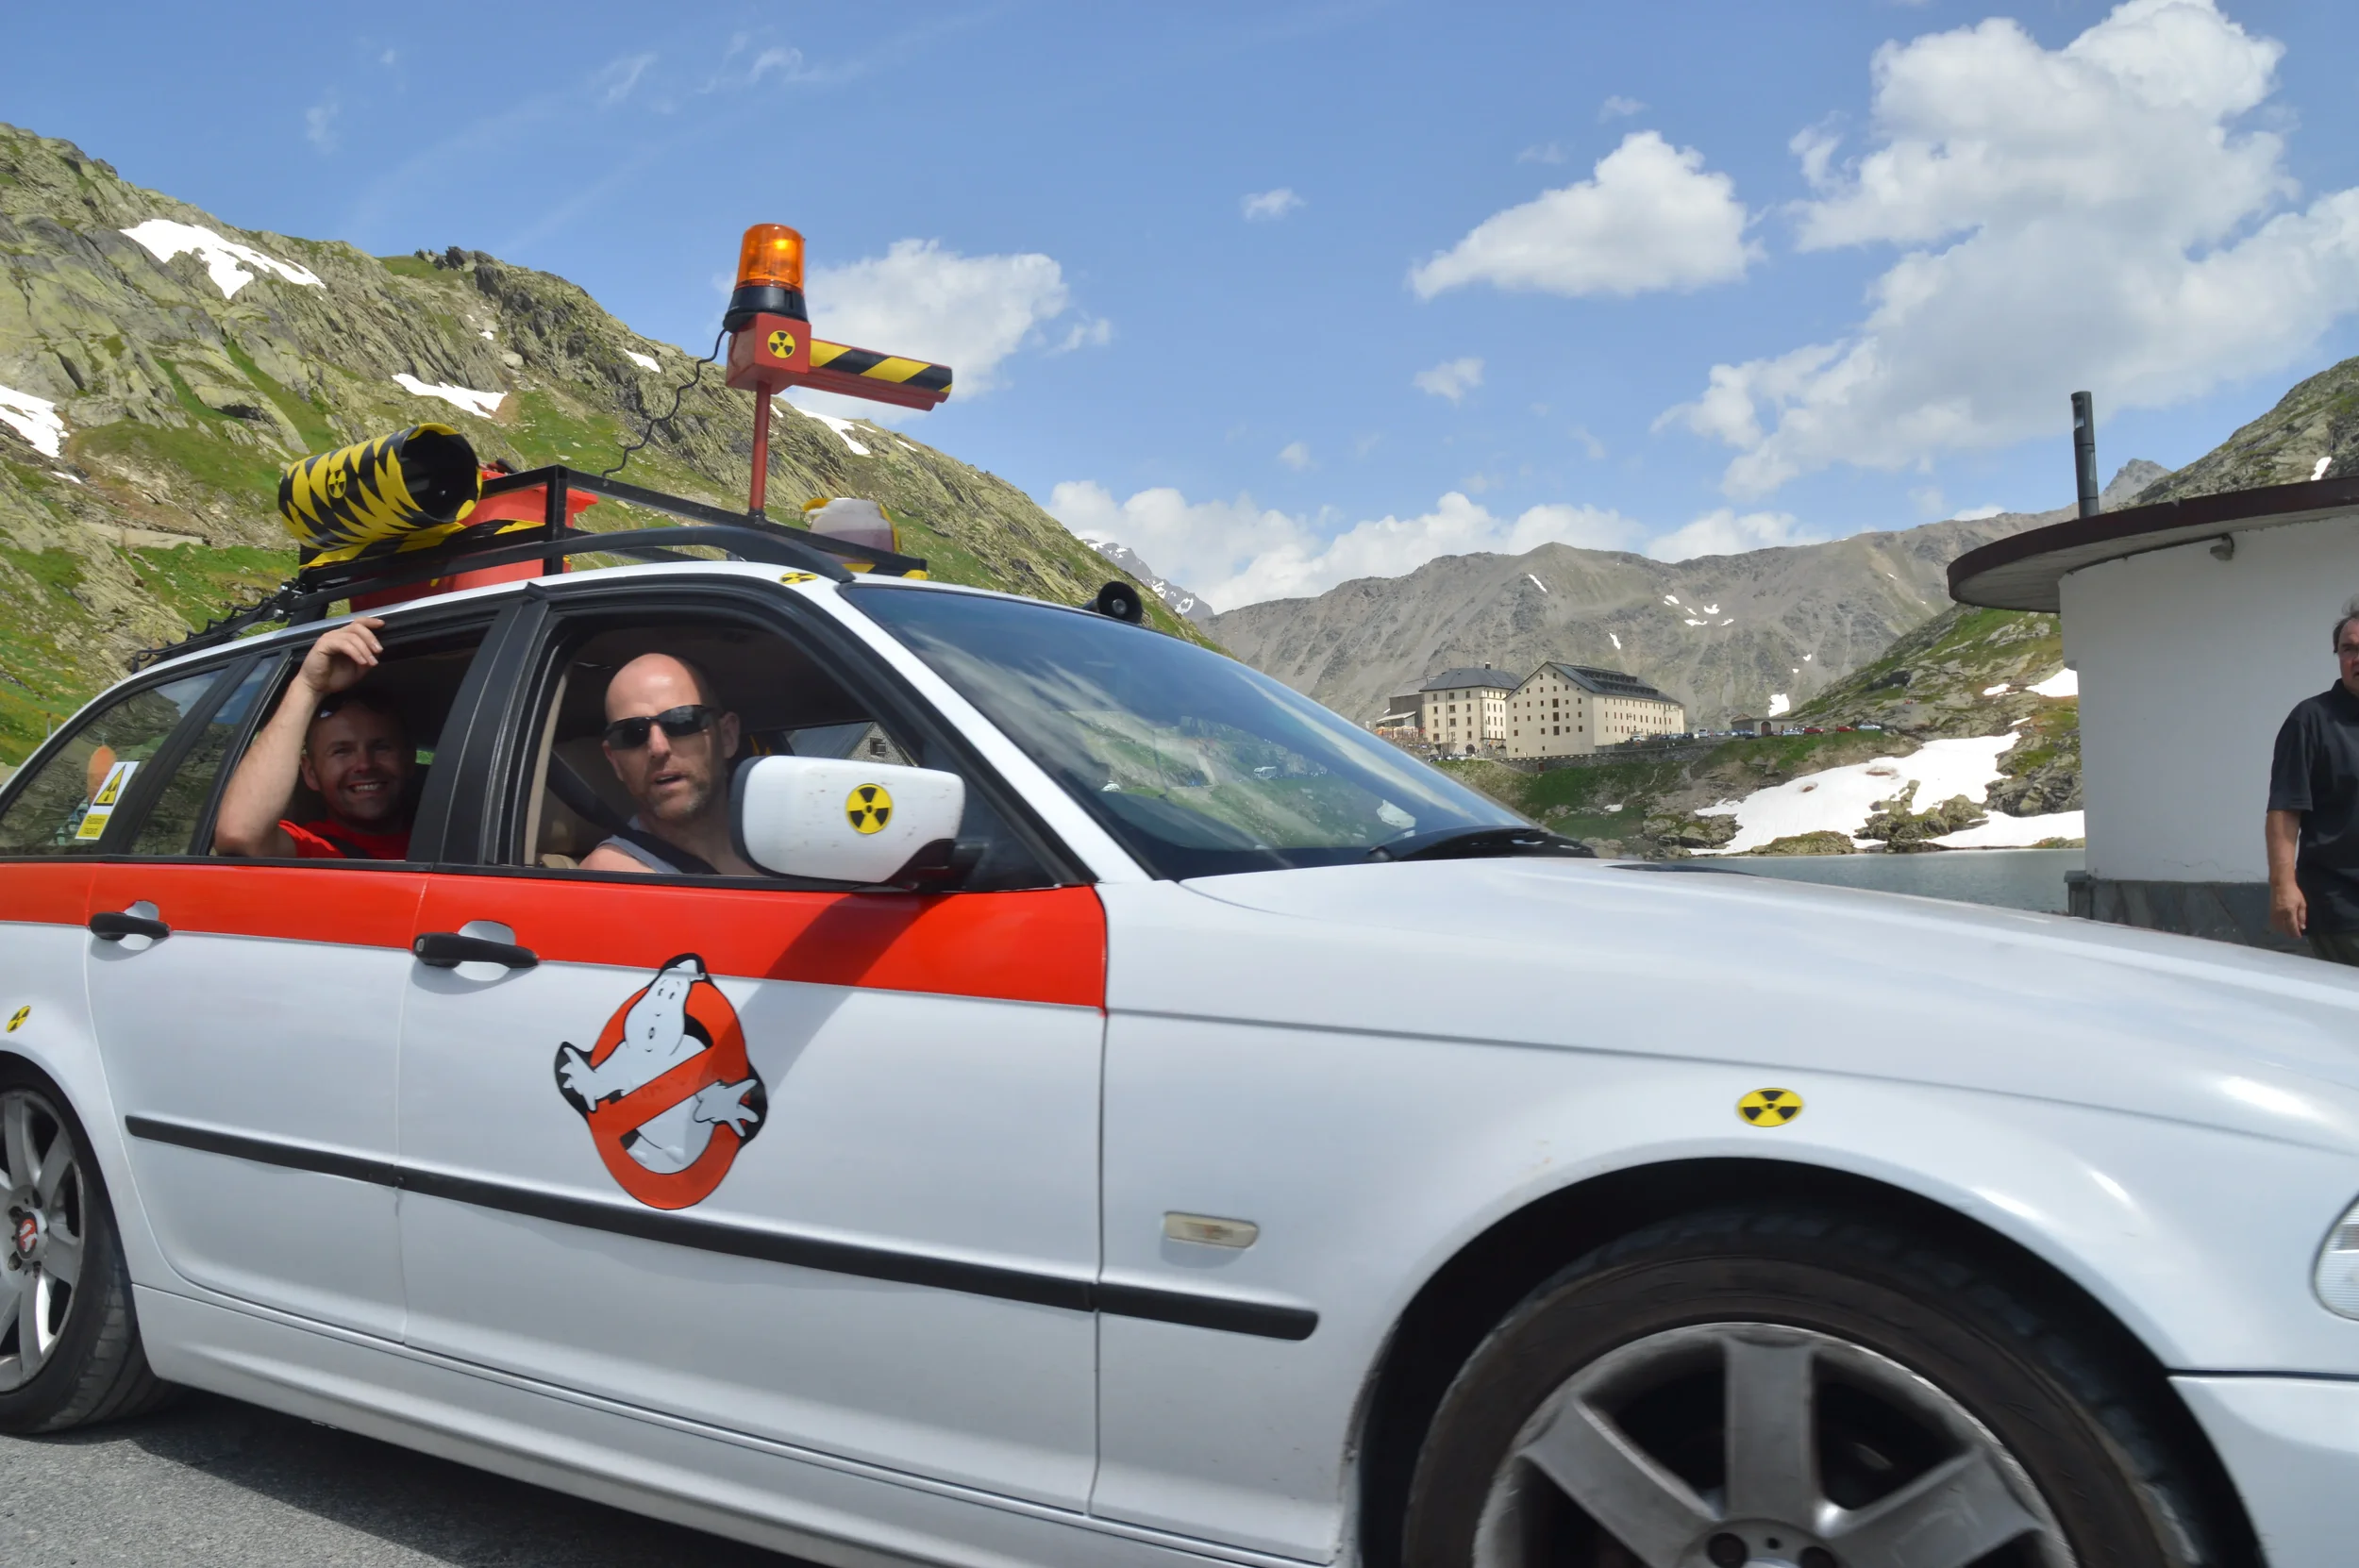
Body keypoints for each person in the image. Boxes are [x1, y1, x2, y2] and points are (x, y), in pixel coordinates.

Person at [216, 618, 415, 860]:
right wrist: (308, 687)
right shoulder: (313, 850)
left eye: (381, 747)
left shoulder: (460, 837)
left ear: (410, 759)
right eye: (342, 751)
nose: (364, 764)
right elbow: (241, 836)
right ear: (310, 773)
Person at [580, 653, 759, 876]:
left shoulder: (784, 840)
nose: (658, 748)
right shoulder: (611, 879)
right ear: (614, 761)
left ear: (727, 737)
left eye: (682, 721)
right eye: (632, 733)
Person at [2267, 596, 2359, 962]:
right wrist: (2283, 885)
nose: (2357, 658)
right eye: (2348, 649)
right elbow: (2285, 811)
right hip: (2343, 909)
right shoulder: (2310, 720)